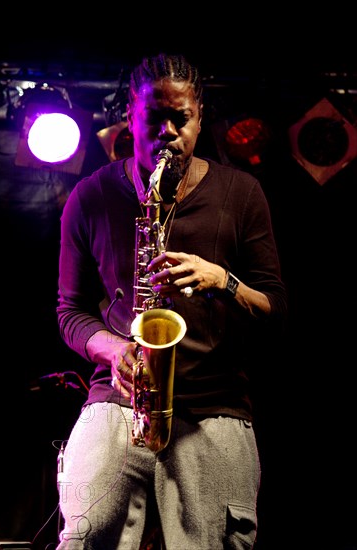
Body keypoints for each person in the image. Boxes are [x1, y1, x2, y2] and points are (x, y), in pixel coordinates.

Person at [55, 52, 287, 550]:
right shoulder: (90, 197)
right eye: (152, 118)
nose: (167, 132)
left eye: (180, 118)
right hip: (121, 396)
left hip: (214, 401)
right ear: (130, 119)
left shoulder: (243, 193)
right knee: (82, 537)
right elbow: (70, 311)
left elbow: (276, 307)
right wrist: (113, 349)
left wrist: (223, 280)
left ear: (200, 117)